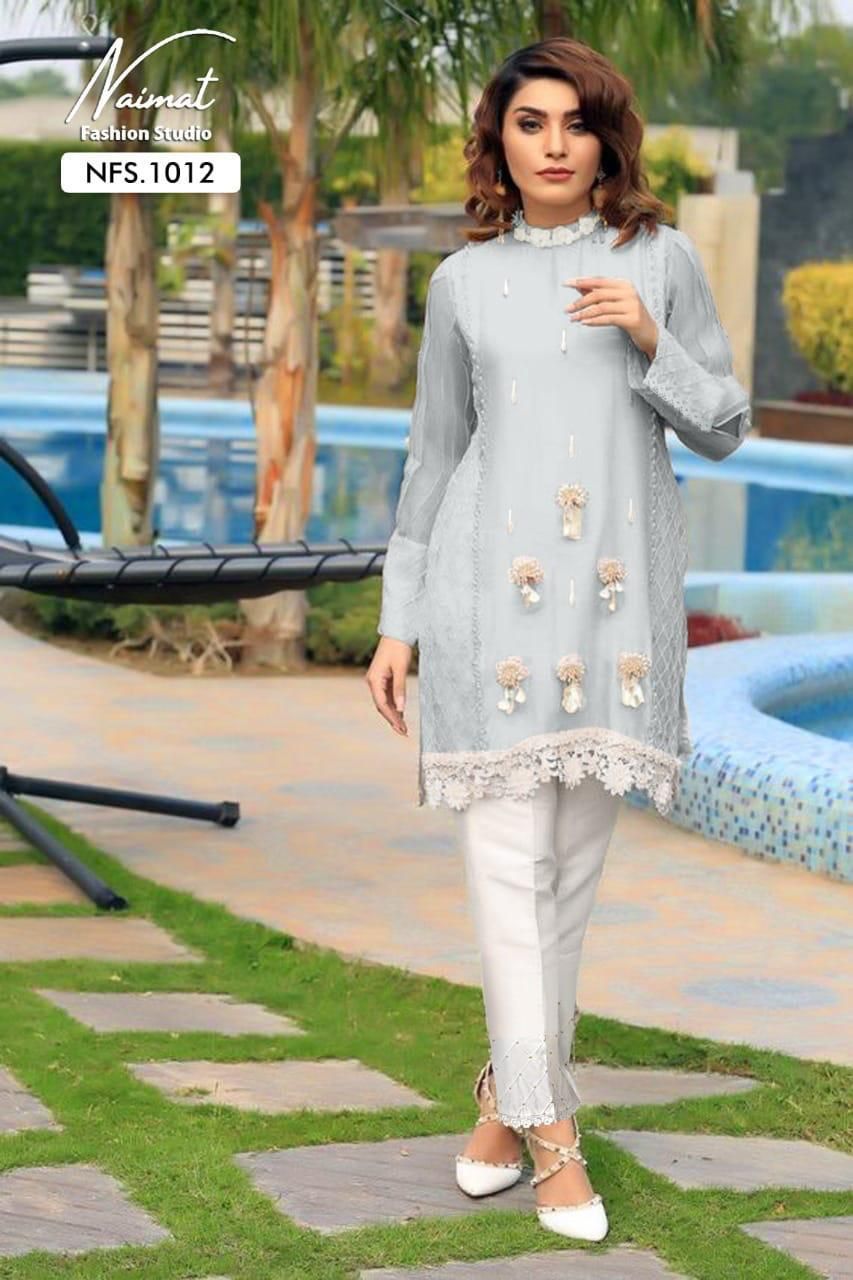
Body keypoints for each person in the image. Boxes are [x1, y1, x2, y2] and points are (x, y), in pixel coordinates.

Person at [365, 35, 751, 1242]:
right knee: (505, 874)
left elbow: (726, 424)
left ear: (604, 140)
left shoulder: (661, 261)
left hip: (615, 611)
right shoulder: (462, 284)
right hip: (487, 602)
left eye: (574, 124)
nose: (552, 145)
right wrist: (397, 619)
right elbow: (433, 457)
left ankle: (503, 1096)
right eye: (529, 123)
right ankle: (553, 1135)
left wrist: (649, 338)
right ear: (500, 140)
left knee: (568, 882)